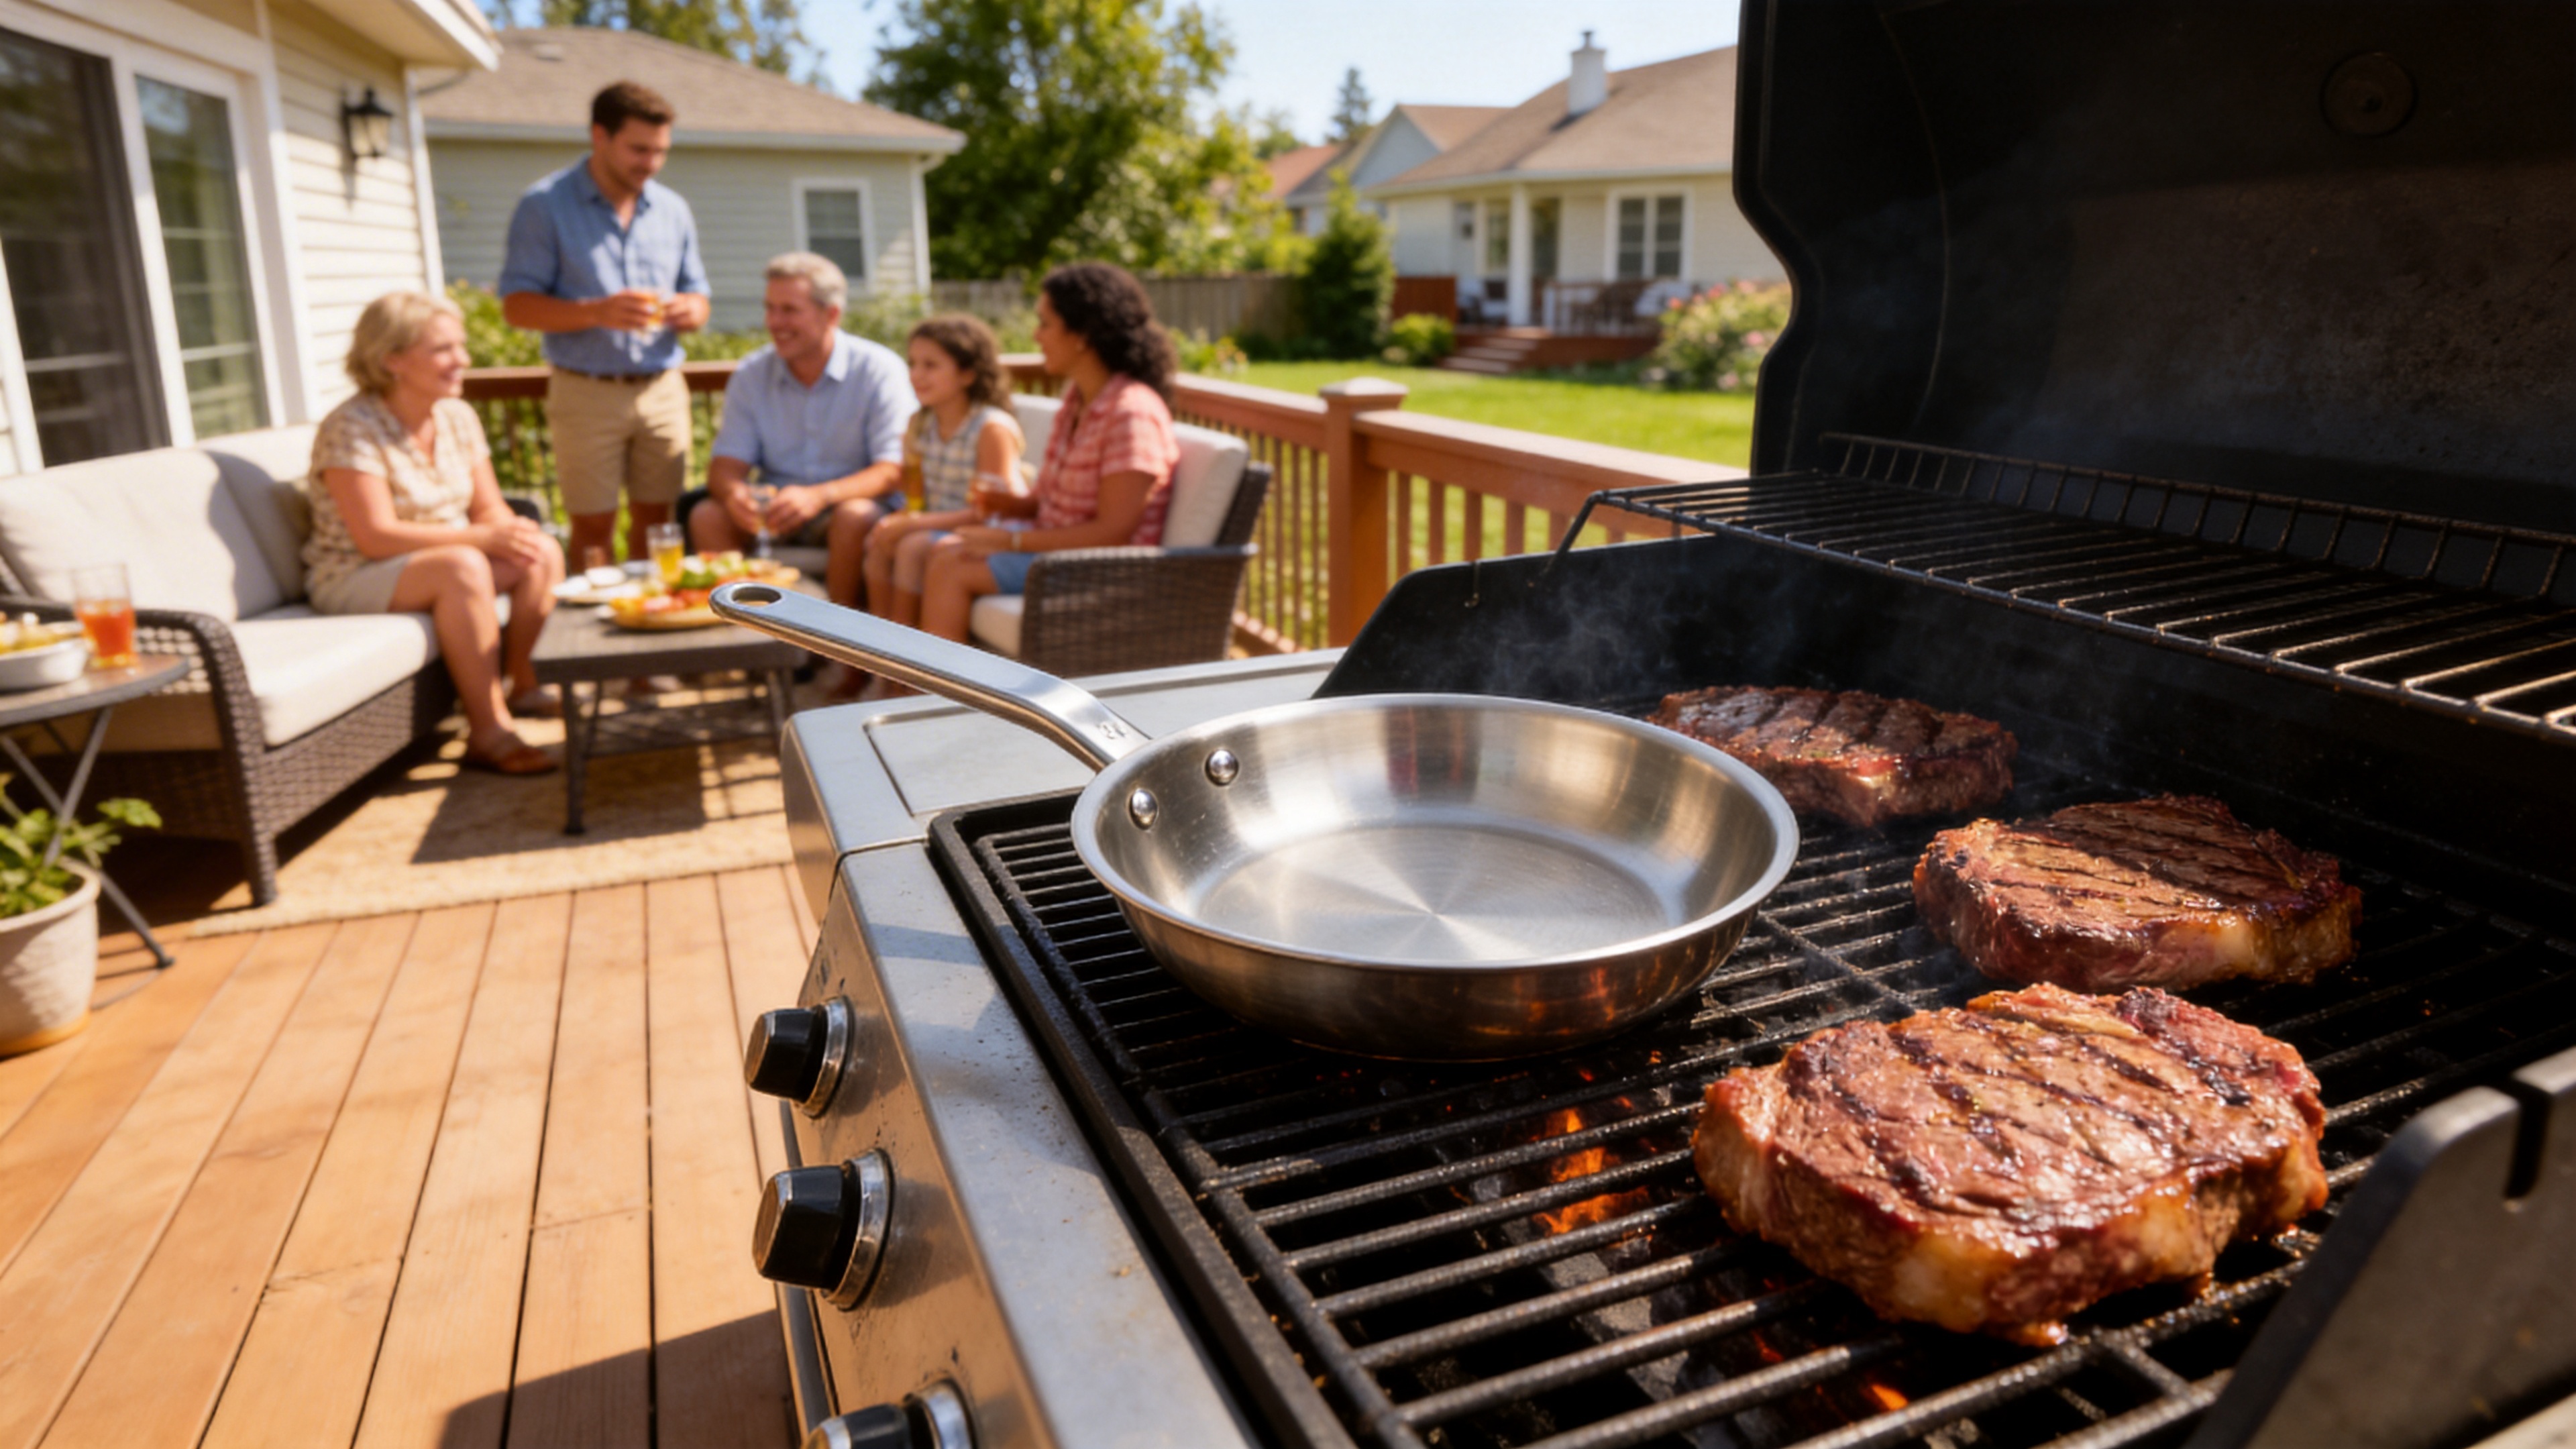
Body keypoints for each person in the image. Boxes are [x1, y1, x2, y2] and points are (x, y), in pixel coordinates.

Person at [304, 292, 566, 774]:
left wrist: (508, 531)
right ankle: (489, 731)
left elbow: (488, 508)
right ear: (392, 359)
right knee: (461, 566)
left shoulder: (457, 416)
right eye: (444, 349)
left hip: (444, 560)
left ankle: (526, 684)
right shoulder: (350, 428)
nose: (462, 360)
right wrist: (480, 541)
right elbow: (376, 537)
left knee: (541, 550)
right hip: (358, 573)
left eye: (459, 347)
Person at [497, 80, 710, 574]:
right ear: (599, 136)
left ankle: (648, 633)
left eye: (660, 152)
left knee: (659, 525)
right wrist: (596, 312)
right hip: (585, 391)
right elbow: (517, 307)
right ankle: (596, 642)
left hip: (662, 389)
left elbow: (699, 297)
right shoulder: (544, 205)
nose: (650, 164)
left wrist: (689, 311)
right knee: (593, 530)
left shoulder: (672, 209)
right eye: (639, 149)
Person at [917, 263, 1180, 645]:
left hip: (1102, 568)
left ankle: (939, 700)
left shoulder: (1131, 413)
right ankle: (921, 690)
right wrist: (1006, 505)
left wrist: (1008, 542)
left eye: (1044, 324)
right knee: (944, 546)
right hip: (1057, 549)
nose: (1035, 335)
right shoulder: (1077, 401)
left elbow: (1113, 532)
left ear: (1083, 336)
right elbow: (1047, 500)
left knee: (950, 565)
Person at [696, 252, 915, 609]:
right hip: (775, 512)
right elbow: (723, 468)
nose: (774, 322)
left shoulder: (879, 370)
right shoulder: (752, 374)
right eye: (769, 308)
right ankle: (742, 643)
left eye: (789, 310)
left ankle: (840, 652)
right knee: (707, 514)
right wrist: (736, 495)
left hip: (846, 508)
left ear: (831, 315)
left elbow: (894, 470)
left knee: (854, 515)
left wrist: (819, 496)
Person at [863, 315, 1026, 631]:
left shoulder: (991, 428)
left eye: (930, 365)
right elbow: (916, 493)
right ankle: (881, 663)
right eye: (913, 364)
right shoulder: (920, 424)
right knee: (879, 538)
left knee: (912, 546)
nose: (916, 375)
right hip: (938, 524)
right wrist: (903, 519)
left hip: (985, 531)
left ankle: (906, 667)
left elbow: (990, 513)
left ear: (967, 374)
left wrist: (914, 524)